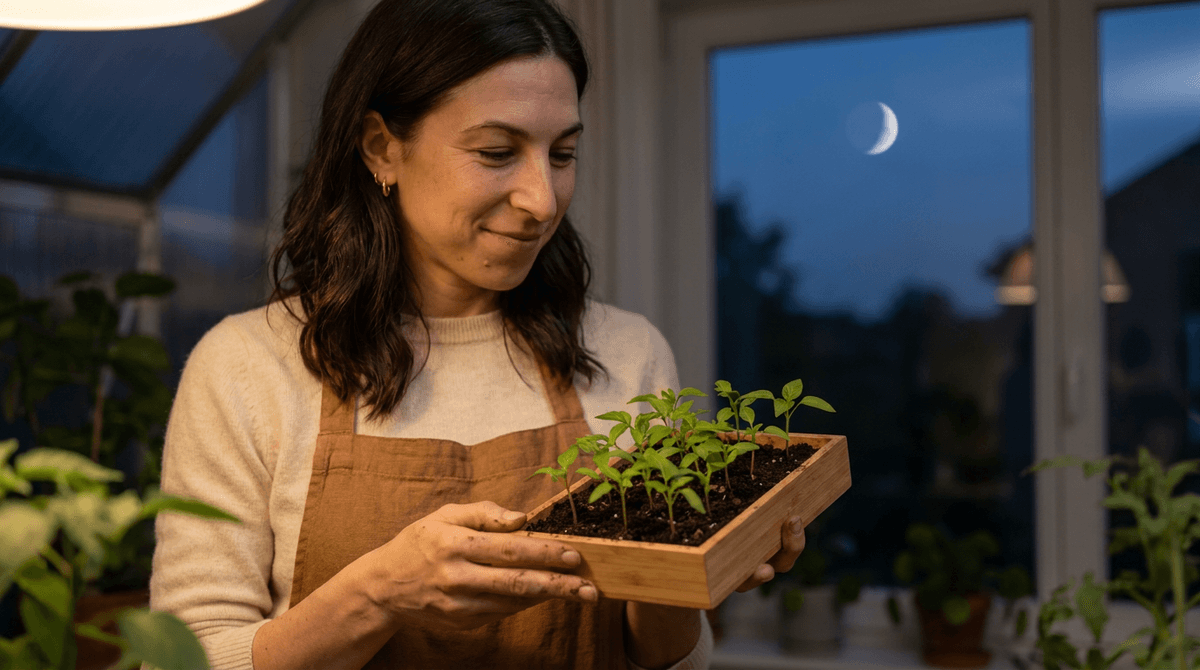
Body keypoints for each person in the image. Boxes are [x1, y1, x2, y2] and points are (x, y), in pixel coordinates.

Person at [148, 0, 807, 668]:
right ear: (382, 147)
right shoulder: (247, 366)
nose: (542, 200)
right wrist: (377, 596)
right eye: (497, 152)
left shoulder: (627, 354)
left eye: (563, 153)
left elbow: (673, 659)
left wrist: (685, 576)